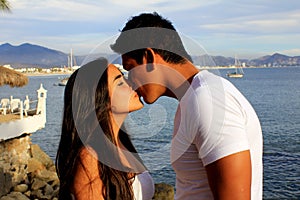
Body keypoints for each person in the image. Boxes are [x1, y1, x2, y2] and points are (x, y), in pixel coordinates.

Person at [111, 12, 263, 200]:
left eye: (130, 69)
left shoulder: (208, 101)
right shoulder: (194, 99)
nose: (130, 81)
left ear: (149, 58)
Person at [55, 58, 154, 200]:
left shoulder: (120, 143)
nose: (131, 83)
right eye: (120, 82)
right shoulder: (90, 157)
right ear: (101, 99)